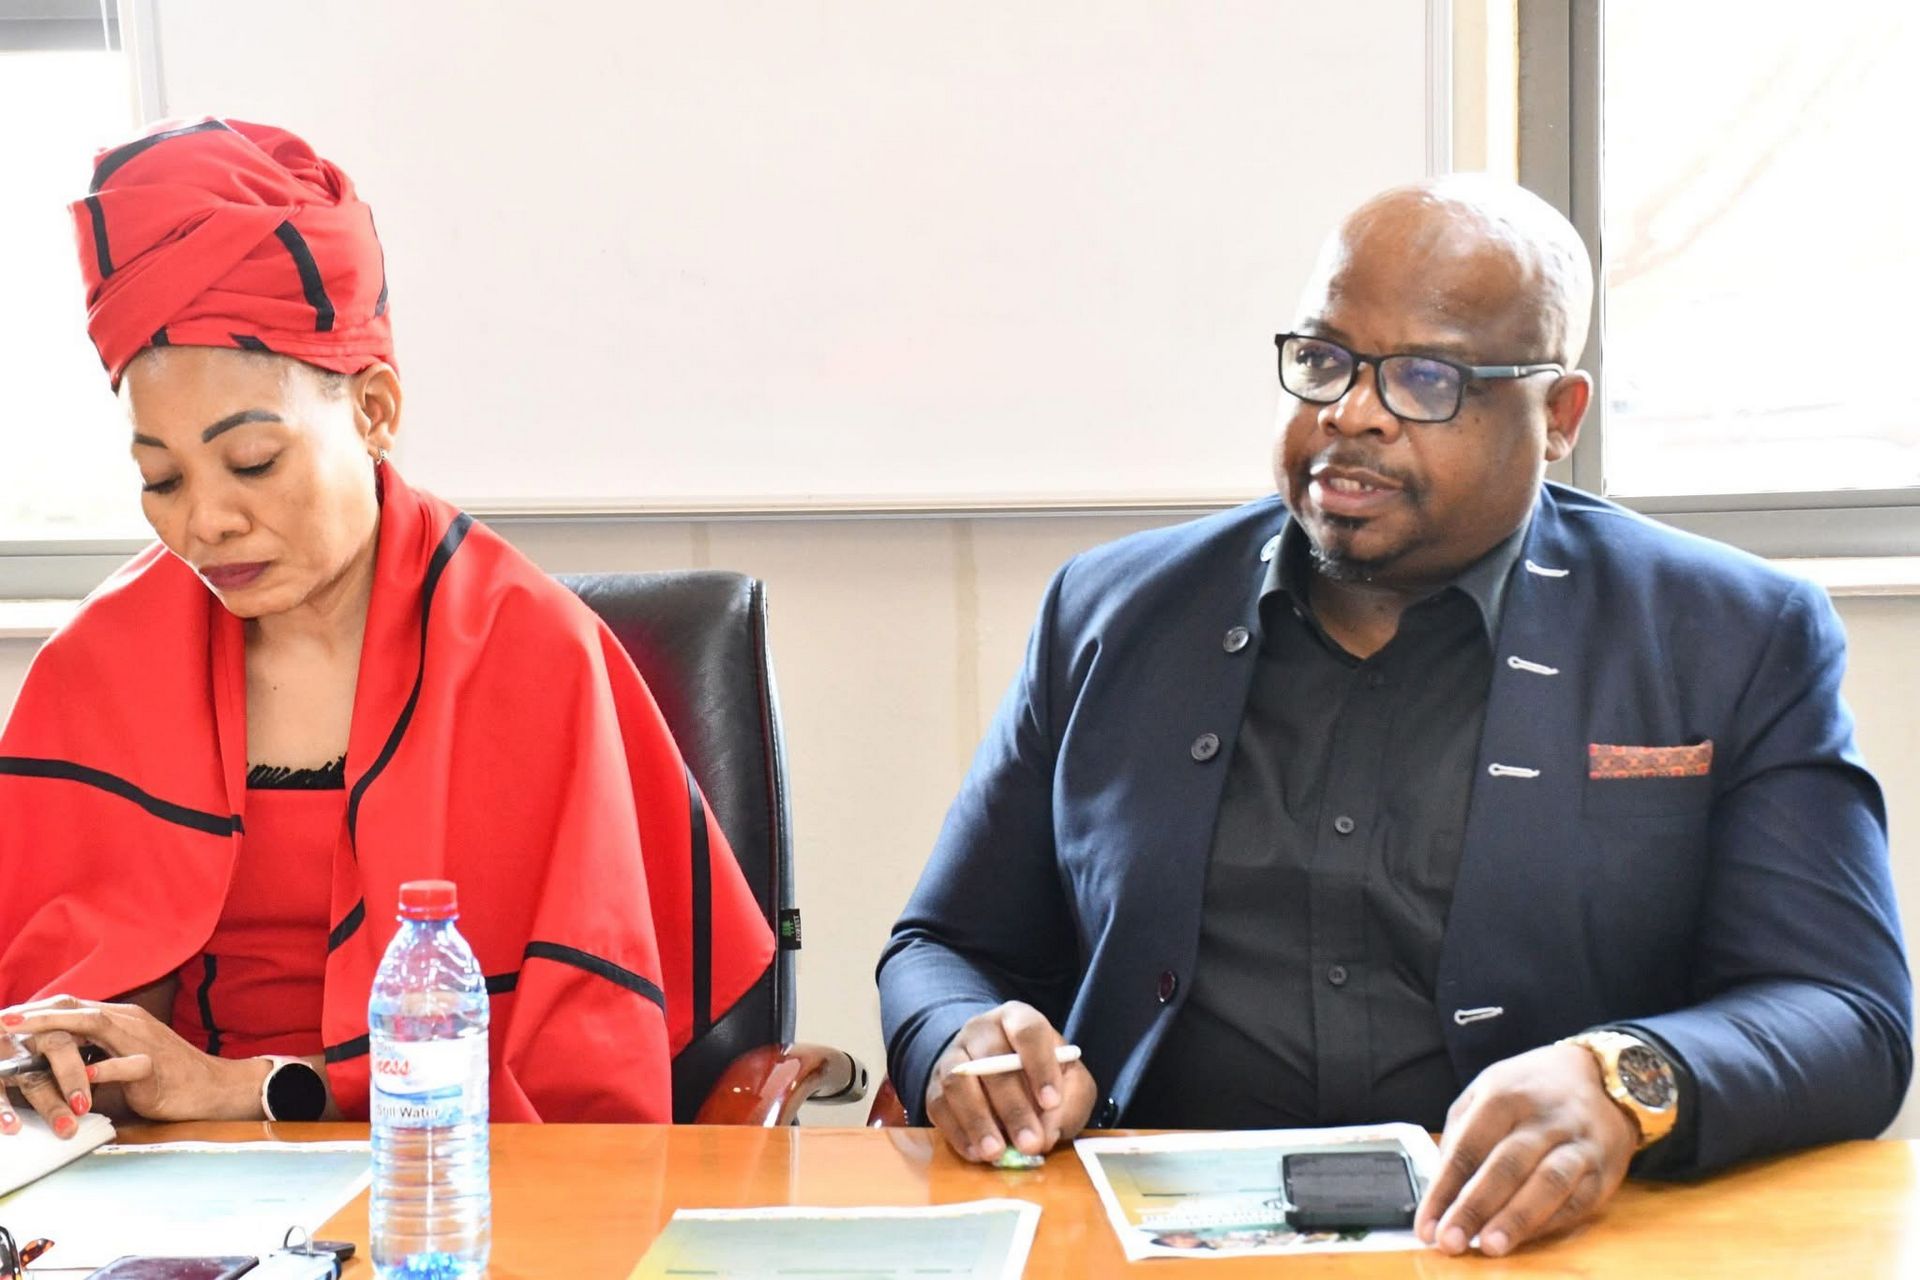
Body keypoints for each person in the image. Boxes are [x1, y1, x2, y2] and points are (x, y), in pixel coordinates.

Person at [877, 175, 1910, 1256]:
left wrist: (1620, 1079)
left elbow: (1845, 1011)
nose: (1351, 412)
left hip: (1543, 1243)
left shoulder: (1728, 634)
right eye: (1326, 359)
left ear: (1558, 417)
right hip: (1149, 1241)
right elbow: (944, 945)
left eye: (1427, 378)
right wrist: (962, 1042)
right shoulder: (1113, 612)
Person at [0, 118, 774, 1134]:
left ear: (374, 410)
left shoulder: (534, 653)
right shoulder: (98, 663)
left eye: (252, 463)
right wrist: (63, 1055)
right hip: (156, 1171)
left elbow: (570, 1082)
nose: (205, 522)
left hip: (454, 1171)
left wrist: (244, 1085)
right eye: (161, 478)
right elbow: (46, 1003)